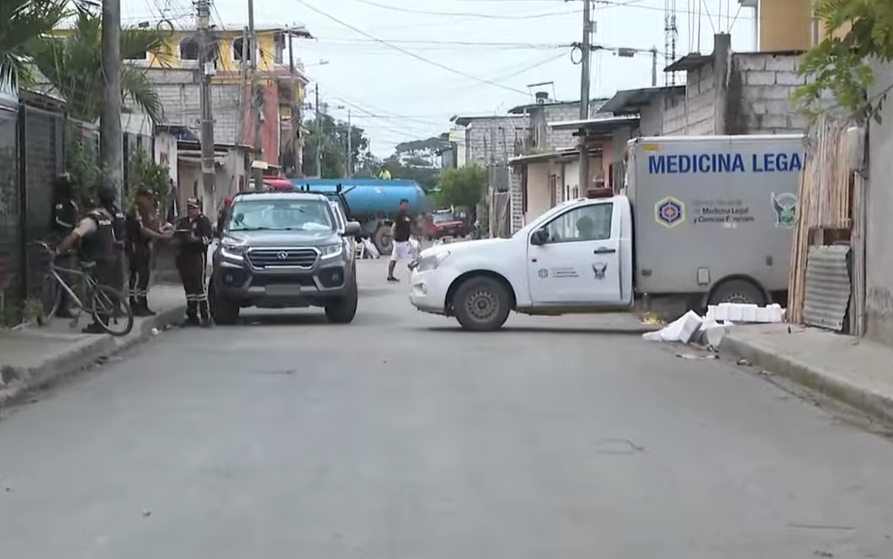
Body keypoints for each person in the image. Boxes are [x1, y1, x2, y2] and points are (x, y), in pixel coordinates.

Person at [54, 190, 117, 334]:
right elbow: (112, 237)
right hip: (109, 258)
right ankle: (103, 321)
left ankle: (99, 324)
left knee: (95, 291)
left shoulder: (88, 220)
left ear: (83, 207)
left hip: (95, 260)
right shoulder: (106, 217)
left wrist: (58, 250)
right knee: (102, 291)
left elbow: (73, 237)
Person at [125, 187, 168, 317]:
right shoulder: (135, 211)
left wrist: (162, 230)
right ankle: (136, 304)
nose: (149, 201)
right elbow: (143, 230)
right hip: (135, 246)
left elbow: (153, 226)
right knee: (138, 276)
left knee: (144, 277)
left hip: (144, 246)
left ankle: (143, 304)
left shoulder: (147, 211)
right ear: (140, 197)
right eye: (147, 198)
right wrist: (160, 236)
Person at [174, 198, 214, 327]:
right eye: (189, 207)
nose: (191, 210)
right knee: (188, 287)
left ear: (199, 208)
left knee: (199, 286)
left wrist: (195, 239)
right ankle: (191, 315)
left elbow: (208, 239)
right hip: (184, 257)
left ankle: (205, 315)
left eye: (193, 207)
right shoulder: (183, 222)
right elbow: (176, 235)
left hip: (197, 256)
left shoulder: (204, 221)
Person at [51, 173, 79, 318]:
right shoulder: (61, 204)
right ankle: (61, 307)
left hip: (68, 238)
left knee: (67, 274)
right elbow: (59, 222)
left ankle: (64, 305)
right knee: (62, 274)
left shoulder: (68, 203)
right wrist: (73, 227)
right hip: (63, 238)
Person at [387, 198, 414, 282]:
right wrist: (392, 234)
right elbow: (394, 225)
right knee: (410, 260)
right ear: (401, 205)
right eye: (404, 205)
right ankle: (413, 277)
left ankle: (390, 276)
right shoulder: (399, 215)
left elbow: (409, 227)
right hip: (401, 241)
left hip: (403, 241)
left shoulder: (407, 215)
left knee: (394, 258)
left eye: (406, 205)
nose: (406, 206)